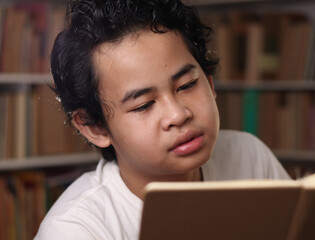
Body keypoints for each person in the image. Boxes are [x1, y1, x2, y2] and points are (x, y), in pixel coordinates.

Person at [34, 0, 290, 239]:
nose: (178, 115)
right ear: (95, 127)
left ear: (210, 82)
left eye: (187, 85)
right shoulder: (75, 229)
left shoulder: (250, 157)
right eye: (144, 105)